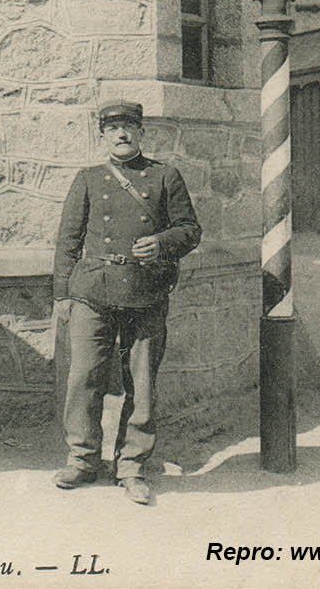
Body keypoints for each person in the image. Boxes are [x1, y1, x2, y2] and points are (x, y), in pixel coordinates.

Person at [53, 101, 201, 505]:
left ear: (141, 133)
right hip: (93, 291)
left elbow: (190, 230)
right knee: (84, 375)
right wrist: (62, 294)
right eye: (113, 128)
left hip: (145, 290)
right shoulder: (88, 179)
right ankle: (82, 458)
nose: (122, 135)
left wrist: (163, 243)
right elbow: (68, 240)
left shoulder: (165, 176)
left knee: (142, 382)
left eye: (129, 128)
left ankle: (132, 464)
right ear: (102, 135)